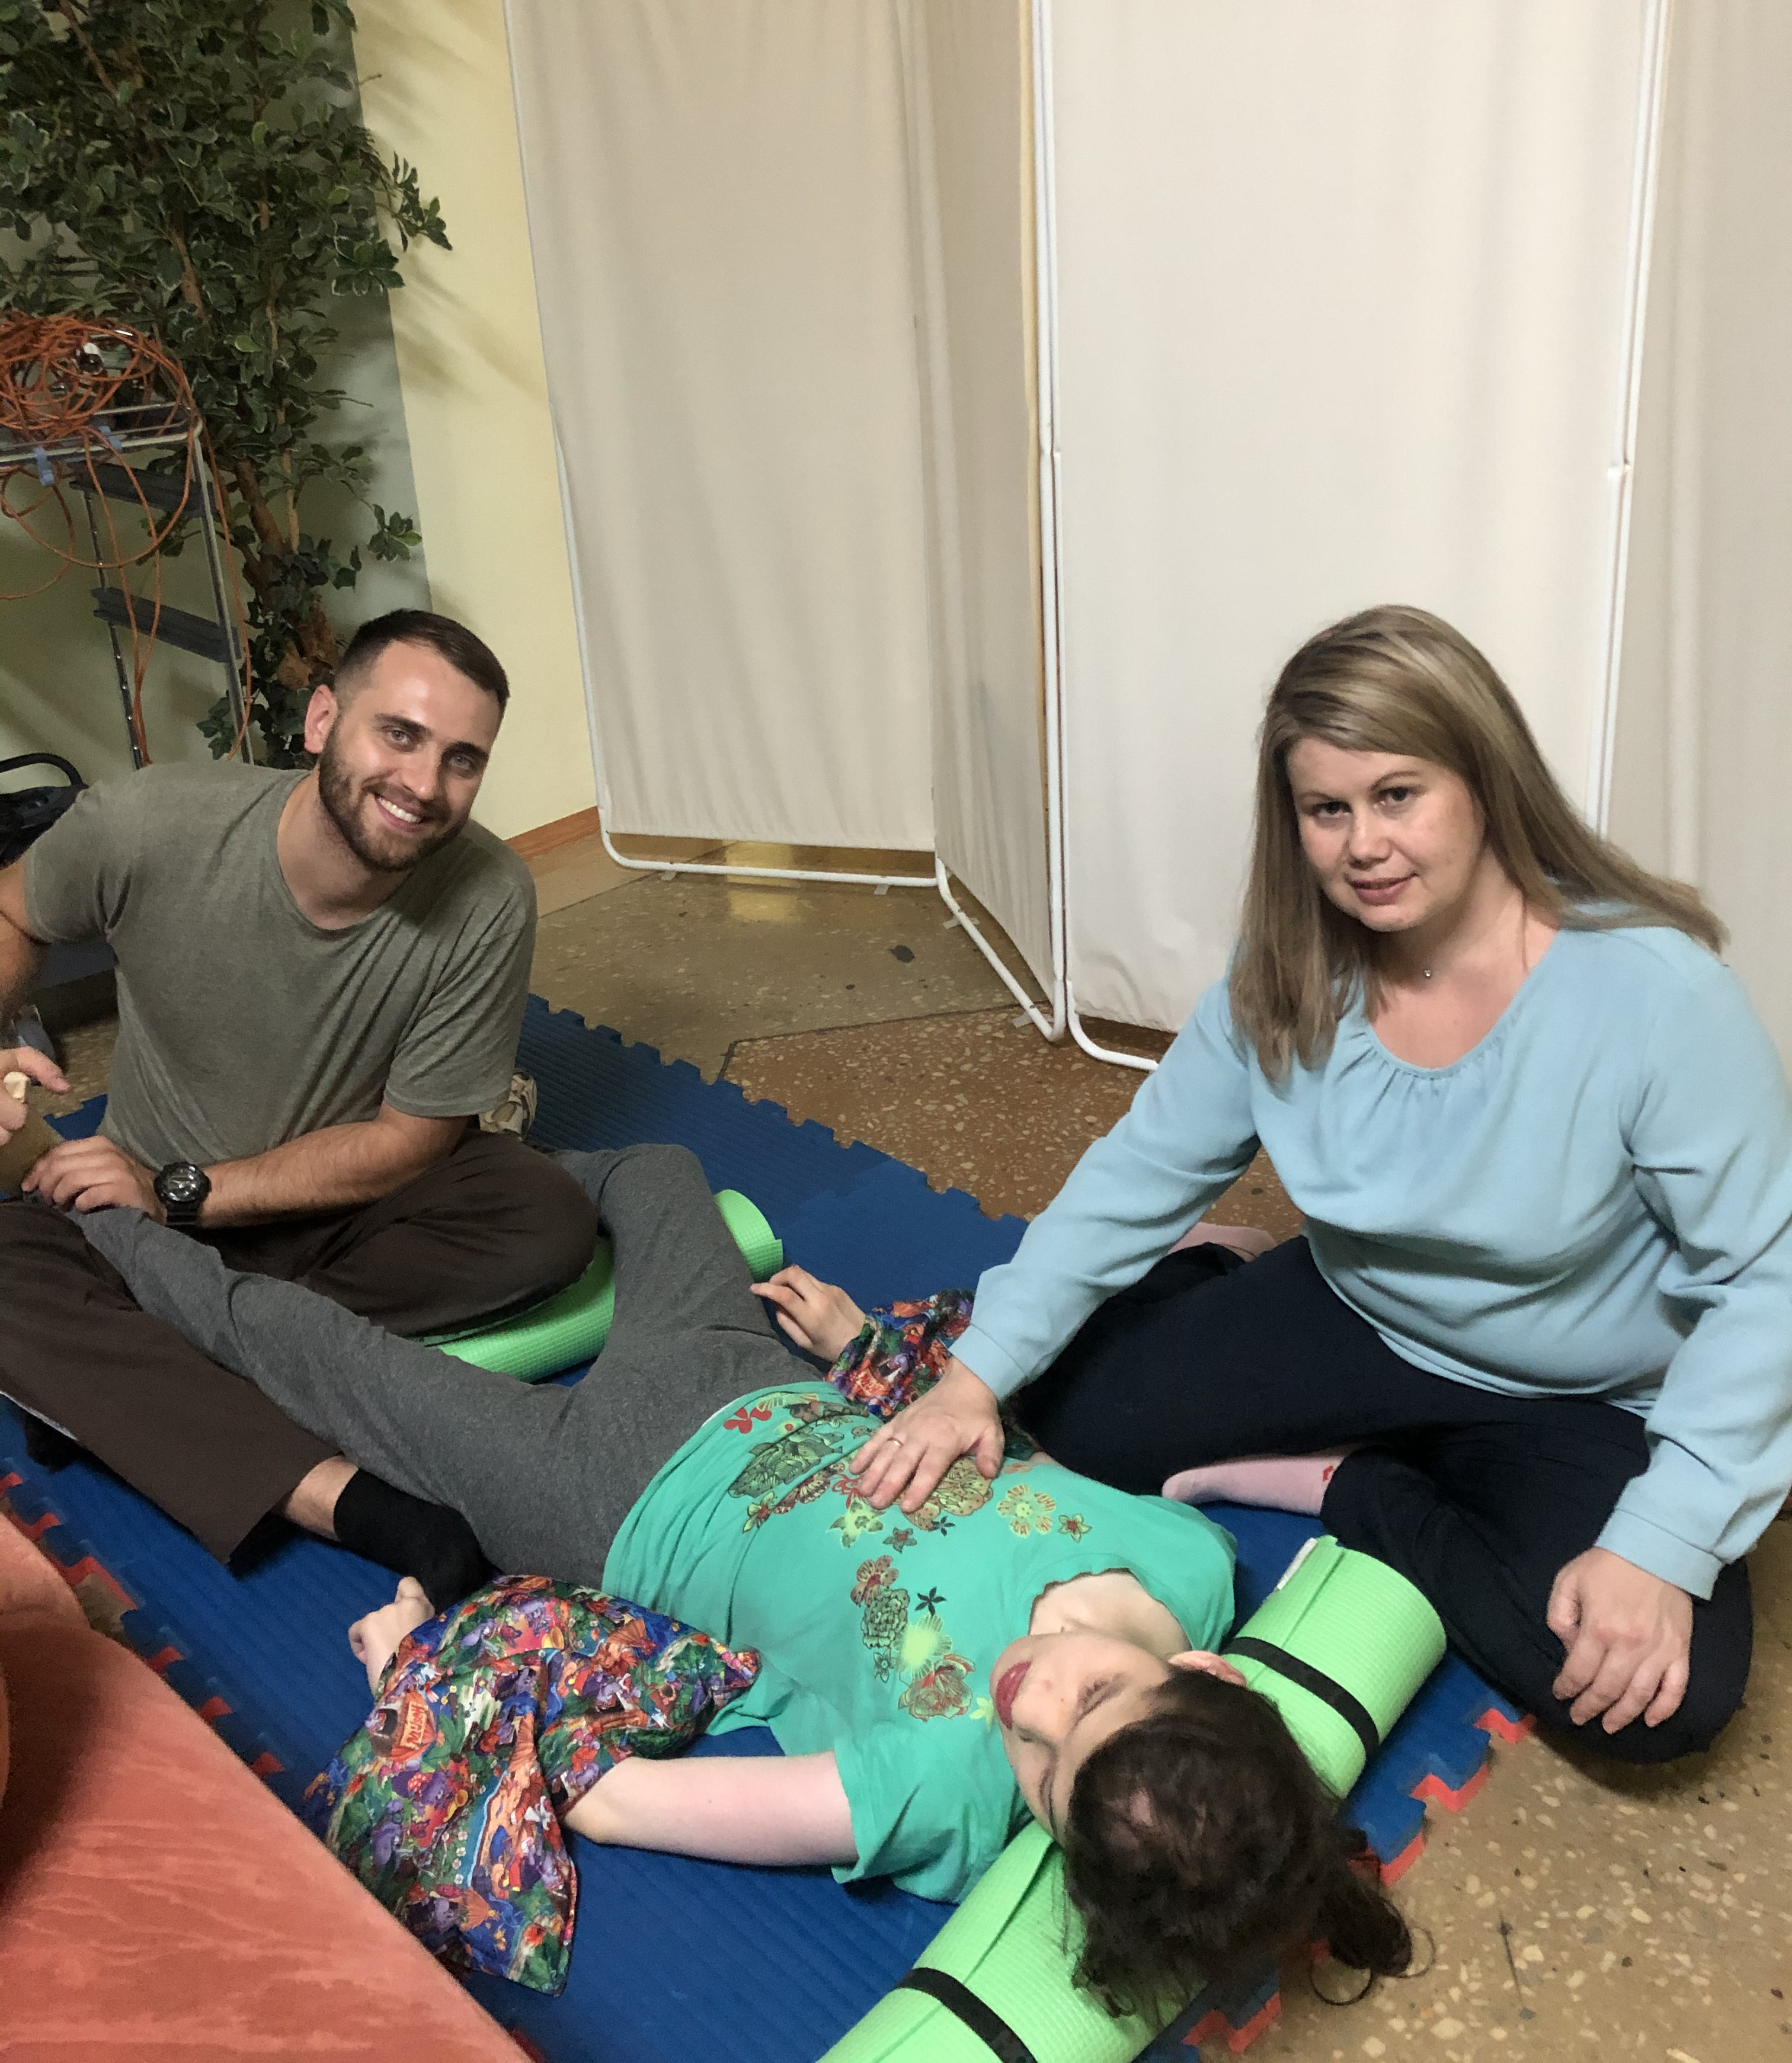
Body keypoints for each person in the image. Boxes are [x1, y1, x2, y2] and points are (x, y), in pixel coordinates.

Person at [66, 1145, 1412, 2020]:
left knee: (298, 1348)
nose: (1030, 1702)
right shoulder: (1187, 1568)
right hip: (750, 1374)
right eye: (1096, 1698)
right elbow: (1100, 1469)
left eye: (1044, 1773)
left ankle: (100, 1220)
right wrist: (868, 1350)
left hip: (601, 1497)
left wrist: (419, 1671)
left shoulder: (944, 1792)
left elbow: (616, 1799)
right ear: (1204, 1670)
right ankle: (373, 1191)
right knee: (656, 1169)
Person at [849, 604, 1792, 1767]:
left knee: (1658, 1700)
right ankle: (1224, 1274)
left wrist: (1661, 1538)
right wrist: (971, 1378)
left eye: (1398, 795)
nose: (1364, 845)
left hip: (1583, 1390)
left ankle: (1355, 1483)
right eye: (1327, 809)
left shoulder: (1657, 995)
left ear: (1484, 781)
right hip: (1365, 1309)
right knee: (1069, 1420)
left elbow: (1767, 1283)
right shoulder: (1286, 968)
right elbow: (1144, 1168)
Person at [0, 610, 598, 1601]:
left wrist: (180, 1192)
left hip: (321, 1211)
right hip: (134, 1227)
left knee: (545, 1216)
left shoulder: (489, 895)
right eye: (398, 734)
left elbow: (409, 1142)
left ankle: (136, 1383)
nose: (424, 784)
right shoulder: (154, 823)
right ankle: (347, 1502)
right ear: (322, 721)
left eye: (461, 760)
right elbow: (15, 905)